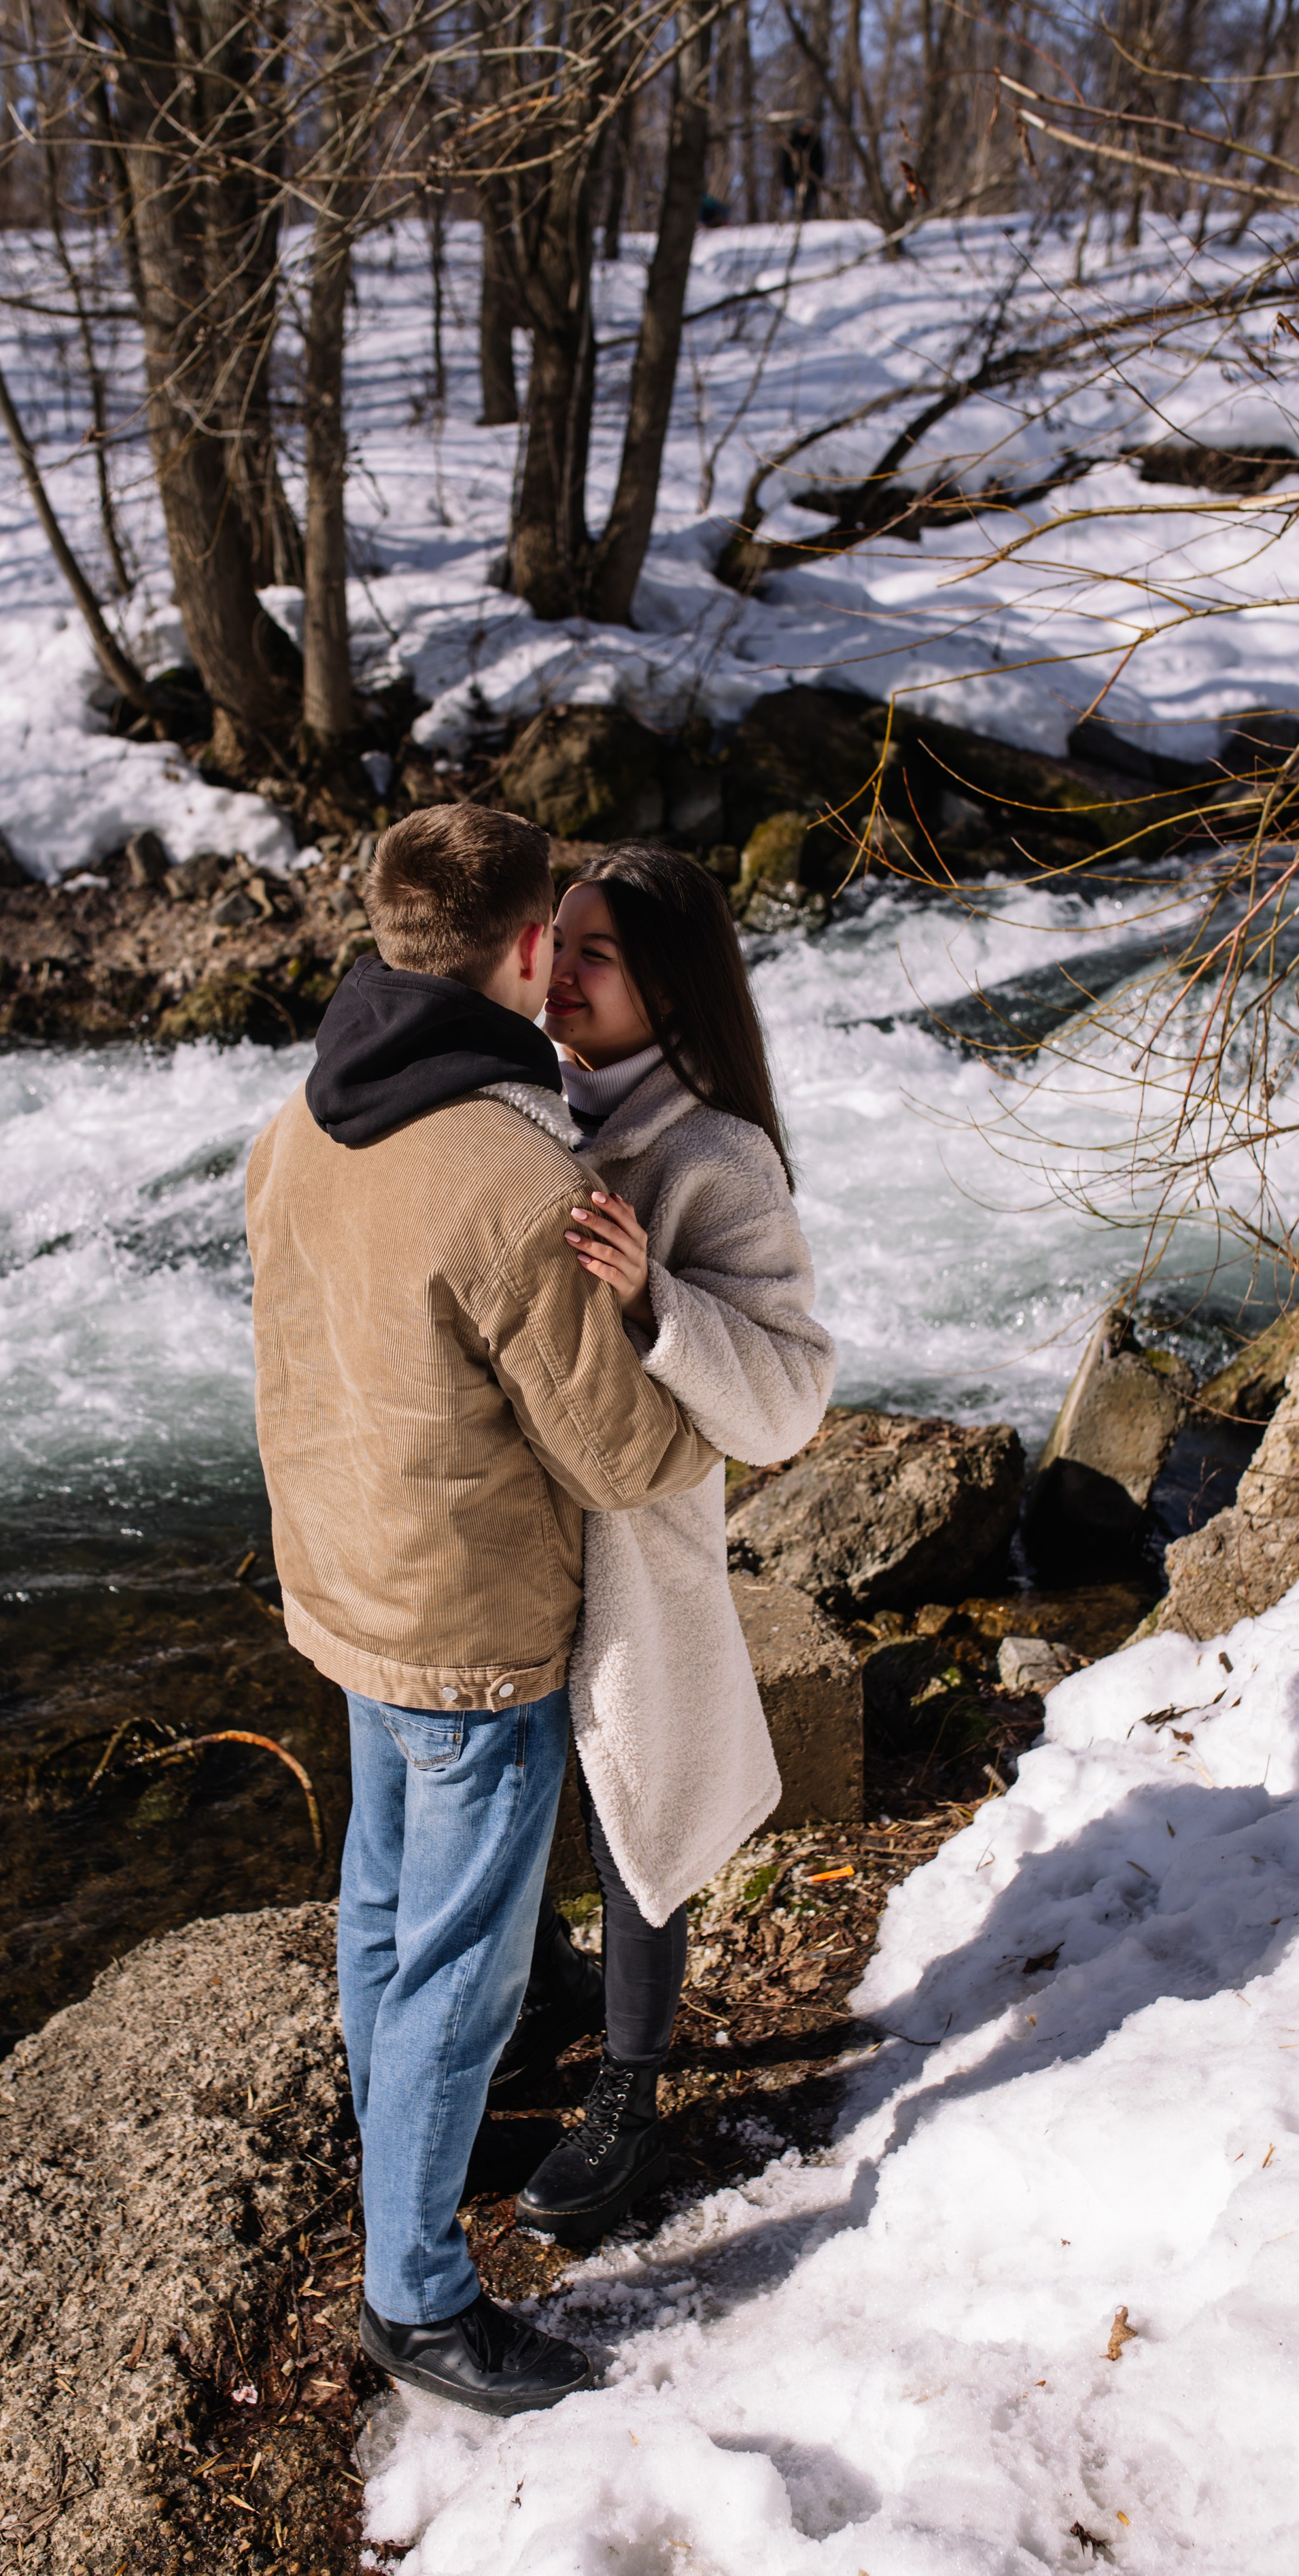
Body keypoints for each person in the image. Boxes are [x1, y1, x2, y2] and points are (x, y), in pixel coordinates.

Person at [243, 802, 716, 2418]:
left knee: (382, 1906)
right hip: (467, 1633)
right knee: (464, 1968)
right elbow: (624, 1450)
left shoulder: (300, 1116)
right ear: (524, 947)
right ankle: (418, 2297)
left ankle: (391, 2174)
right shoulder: (515, 1175)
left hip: (347, 1588)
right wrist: (676, 1335)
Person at [499, 845, 836, 2247]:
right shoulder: (514, 1110)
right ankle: (542, 2003)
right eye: (558, 941)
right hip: (513, 1534)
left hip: (640, 1554)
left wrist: (656, 1303)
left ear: (671, 989)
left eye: (600, 954)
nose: (561, 972)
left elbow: (790, 1397)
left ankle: (631, 2093)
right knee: (505, 1789)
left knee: (634, 1802)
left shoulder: (715, 1156)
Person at [780, 116, 825, 221]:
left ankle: (806, 220)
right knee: (794, 204)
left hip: (811, 179)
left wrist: (818, 178)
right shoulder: (792, 143)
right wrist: (787, 181)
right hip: (793, 180)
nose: (806, 130)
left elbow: (820, 163)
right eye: (804, 127)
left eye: (808, 127)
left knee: (809, 204)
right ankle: (794, 221)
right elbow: (785, 165)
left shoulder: (814, 144)